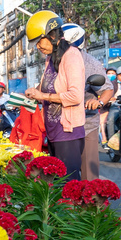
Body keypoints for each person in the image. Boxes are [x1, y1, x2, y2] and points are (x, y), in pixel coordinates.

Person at [24, 11, 86, 180]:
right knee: (55, 184)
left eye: (39, 40)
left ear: (52, 35)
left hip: (68, 133)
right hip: (52, 132)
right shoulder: (50, 58)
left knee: (68, 184)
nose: (37, 46)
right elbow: (48, 86)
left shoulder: (71, 55)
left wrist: (42, 95)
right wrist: (34, 92)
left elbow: (75, 96)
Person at [62, 23, 115, 180]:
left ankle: (91, 204)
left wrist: (98, 103)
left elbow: (107, 89)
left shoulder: (90, 63)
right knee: (61, 176)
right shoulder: (52, 61)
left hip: (86, 123)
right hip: (60, 125)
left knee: (89, 177)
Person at [100, 68, 118, 143]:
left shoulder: (120, 84)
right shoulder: (103, 83)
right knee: (103, 120)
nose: (111, 75)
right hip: (106, 105)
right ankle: (104, 137)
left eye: (112, 73)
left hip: (118, 106)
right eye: (109, 73)